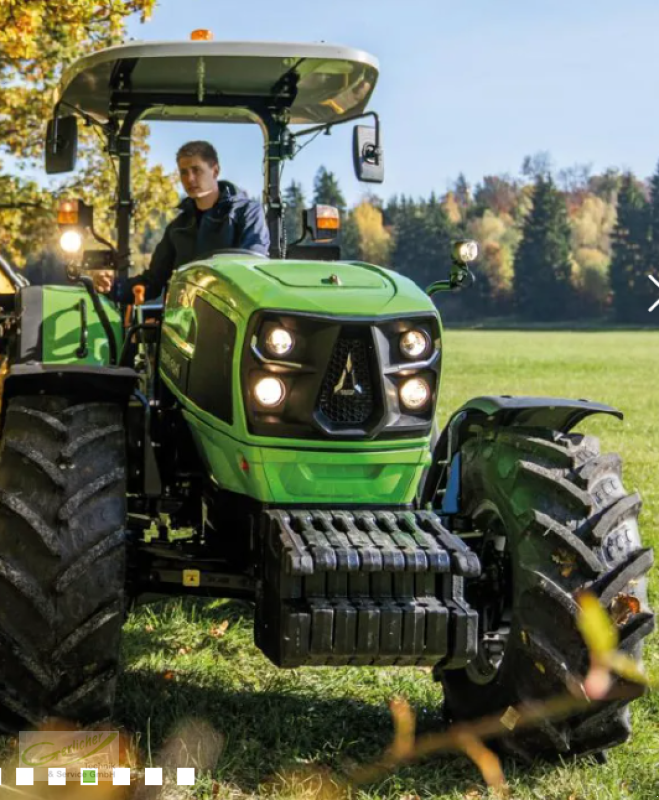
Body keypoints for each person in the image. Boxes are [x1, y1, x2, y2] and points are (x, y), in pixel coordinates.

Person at [94, 140, 269, 300]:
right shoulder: (178, 228)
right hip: (184, 316)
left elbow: (252, 269)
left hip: (231, 313)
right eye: (184, 172)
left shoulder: (246, 213)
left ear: (215, 171)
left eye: (196, 170)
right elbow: (153, 282)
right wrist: (112, 287)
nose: (189, 179)